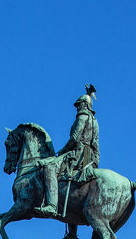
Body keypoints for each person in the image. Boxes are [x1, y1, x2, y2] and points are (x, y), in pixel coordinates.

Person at [37, 85, 100, 216]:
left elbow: (75, 138)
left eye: (79, 105)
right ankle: (72, 228)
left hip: (78, 153)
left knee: (49, 168)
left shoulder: (82, 117)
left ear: (85, 105)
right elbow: (95, 143)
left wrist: (62, 151)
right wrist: (96, 160)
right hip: (89, 156)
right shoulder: (94, 121)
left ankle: (52, 206)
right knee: (72, 184)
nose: (78, 107)